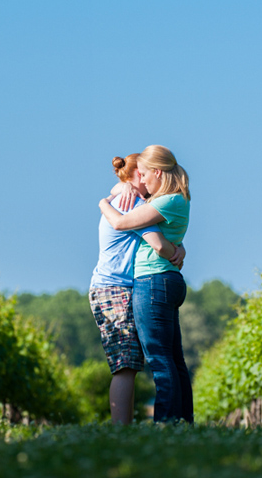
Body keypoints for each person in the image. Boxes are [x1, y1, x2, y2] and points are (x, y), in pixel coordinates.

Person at [89, 154, 185, 425]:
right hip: (114, 288)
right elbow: (159, 245)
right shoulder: (135, 205)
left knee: (127, 361)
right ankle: (122, 431)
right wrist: (177, 251)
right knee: (126, 364)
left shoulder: (118, 199)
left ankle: (124, 430)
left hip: (111, 286)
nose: (146, 180)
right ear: (134, 177)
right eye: (141, 175)